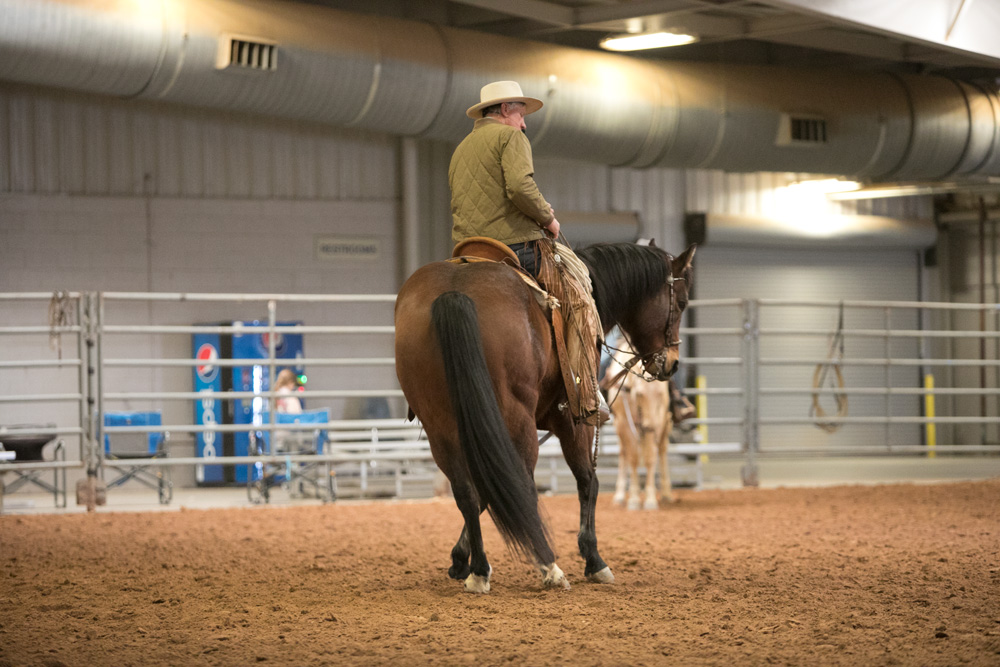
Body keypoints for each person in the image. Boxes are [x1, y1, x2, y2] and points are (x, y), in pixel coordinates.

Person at [449, 80, 607, 425]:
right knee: (580, 295)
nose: (524, 123)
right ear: (505, 109)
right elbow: (520, 186)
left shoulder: (461, 148)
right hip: (514, 245)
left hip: (467, 250)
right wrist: (547, 217)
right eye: (521, 113)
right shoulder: (510, 138)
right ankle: (587, 392)